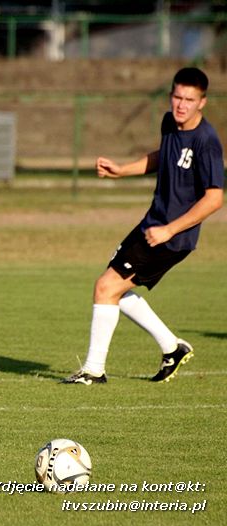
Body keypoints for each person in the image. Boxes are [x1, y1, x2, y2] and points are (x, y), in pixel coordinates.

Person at [63, 67, 223, 385]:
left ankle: (94, 370)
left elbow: (214, 198)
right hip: (151, 225)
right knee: (113, 290)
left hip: (171, 236)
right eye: (177, 97)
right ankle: (171, 347)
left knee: (106, 287)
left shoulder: (207, 142)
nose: (181, 105)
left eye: (189, 100)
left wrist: (170, 229)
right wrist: (122, 170)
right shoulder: (169, 123)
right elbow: (163, 157)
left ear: (202, 102)